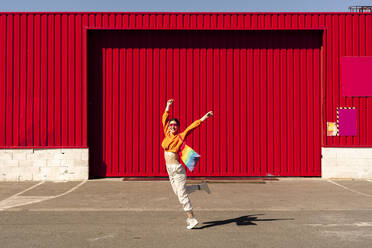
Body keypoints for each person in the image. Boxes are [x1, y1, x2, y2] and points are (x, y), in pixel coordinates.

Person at [161, 98, 214, 229]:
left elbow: (192, 126)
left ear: (178, 127)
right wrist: (168, 106)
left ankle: (191, 218)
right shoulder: (167, 134)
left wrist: (204, 118)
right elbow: (164, 120)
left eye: (175, 125)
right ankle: (201, 187)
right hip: (169, 170)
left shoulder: (180, 136)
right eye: (171, 125)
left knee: (182, 195)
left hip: (178, 170)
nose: (172, 126)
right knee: (178, 192)